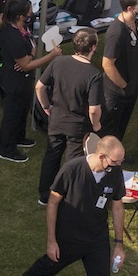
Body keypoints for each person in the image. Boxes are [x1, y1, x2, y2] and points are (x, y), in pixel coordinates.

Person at [14, 135, 130, 276]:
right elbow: (52, 203)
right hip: (69, 235)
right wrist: (51, 241)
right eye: (116, 161)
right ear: (102, 156)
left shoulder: (114, 173)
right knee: (51, 264)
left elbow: (117, 206)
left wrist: (119, 244)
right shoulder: (72, 169)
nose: (119, 165)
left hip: (97, 238)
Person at [37, 26, 104, 207]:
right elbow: (93, 109)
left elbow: (39, 87)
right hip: (78, 126)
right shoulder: (94, 74)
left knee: (52, 156)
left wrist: (46, 106)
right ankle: (69, 196)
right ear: (93, 48)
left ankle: (44, 194)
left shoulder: (59, 62)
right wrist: (96, 125)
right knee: (74, 162)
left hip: (56, 119)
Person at [0, 0, 49, 163]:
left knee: (23, 110)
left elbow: (32, 48)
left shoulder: (22, 29)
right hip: (15, 82)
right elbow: (27, 65)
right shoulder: (13, 37)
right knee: (12, 114)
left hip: (23, 80)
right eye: (29, 12)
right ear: (20, 16)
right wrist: (51, 56)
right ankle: (6, 149)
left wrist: (29, 56)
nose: (31, 14)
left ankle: (19, 137)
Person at [98, 0, 138, 141]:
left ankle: (118, 153)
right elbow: (107, 64)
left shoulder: (135, 21)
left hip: (132, 82)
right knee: (111, 127)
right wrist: (123, 85)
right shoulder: (116, 32)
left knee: (123, 123)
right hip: (117, 91)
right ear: (130, 8)